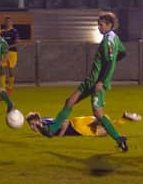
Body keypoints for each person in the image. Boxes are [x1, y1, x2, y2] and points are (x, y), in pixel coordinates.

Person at [43, 11, 128, 151]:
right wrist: (114, 61)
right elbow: (123, 53)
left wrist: (101, 81)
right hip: (91, 80)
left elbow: (107, 63)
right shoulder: (114, 38)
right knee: (70, 101)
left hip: (97, 82)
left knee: (98, 113)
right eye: (98, 25)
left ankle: (119, 138)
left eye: (101, 25)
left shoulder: (108, 41)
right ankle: (52, 129)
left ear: (109, 25)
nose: (99, 28)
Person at [27, 111, 141, 137]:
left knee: (105, 131)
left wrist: (61, 136)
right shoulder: (44, 124)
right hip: (78, 121)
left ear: (38, 120)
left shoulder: (44, 124)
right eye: (30, 125)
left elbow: (65, 122)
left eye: (33, 124)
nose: (32, 127)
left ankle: (121, 118)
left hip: (77, 128)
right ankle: (122, 119)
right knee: (105, 128)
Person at [0, 16, 20, 95]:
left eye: (9, 21)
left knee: (10, 70)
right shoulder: (2, 32)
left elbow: (17, 42)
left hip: (12, 52)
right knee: (1, 70)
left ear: (11, 23)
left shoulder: (14, 31)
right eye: (6, 21)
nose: (7, 23)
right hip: (3, 53)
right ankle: (3, 90)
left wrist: (8, 46)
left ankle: (10, 88)